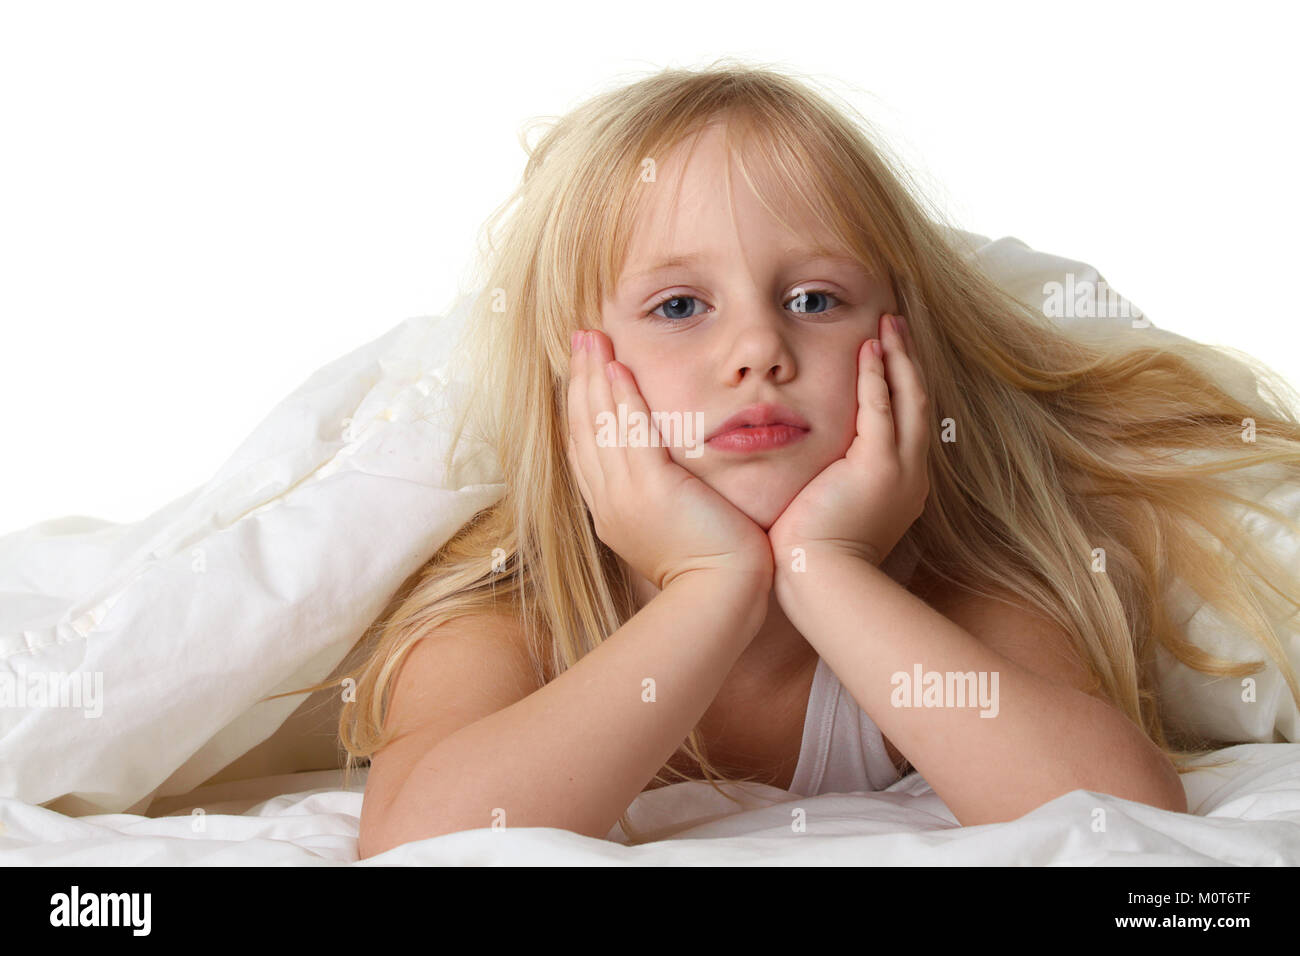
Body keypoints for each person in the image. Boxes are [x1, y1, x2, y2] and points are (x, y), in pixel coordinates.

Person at [275, 61, 1300, 858]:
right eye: (679, 306)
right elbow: (425, 836)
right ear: (576, 382)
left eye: (813, 299)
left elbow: (1121, 814)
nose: (759, 349)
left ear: (898, 349)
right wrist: (707, 586)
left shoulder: (952, 595)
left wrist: (829, 569)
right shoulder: (511, 618)